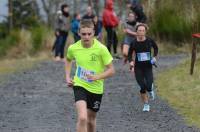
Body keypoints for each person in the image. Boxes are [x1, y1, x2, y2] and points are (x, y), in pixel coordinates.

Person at [65, 19, 115, 132]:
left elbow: (112, 70)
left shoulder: (101, 49)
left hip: (96, 88)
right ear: (79, 33)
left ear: (94, 33)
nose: (86, 37)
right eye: (83, 34)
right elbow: (68, 60)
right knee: (83, 118)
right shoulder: (73, 48)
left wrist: (97, 77)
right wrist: (68, 77)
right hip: (80, 84)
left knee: (91, 120)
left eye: (89, 34)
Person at [128, 23, 158, 112]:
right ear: (136, 32)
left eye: (143, 31)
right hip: (138, 68)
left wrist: (154, 57)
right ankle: (146, 104)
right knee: (142, 87)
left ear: (145, 32)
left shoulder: (149, 40)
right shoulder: (133, 42)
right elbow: (129, 54)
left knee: (148, 86)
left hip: (148, 66)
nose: (141, 32)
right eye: (139, 30)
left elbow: (156, 48)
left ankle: (151, 89)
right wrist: (131, 62)